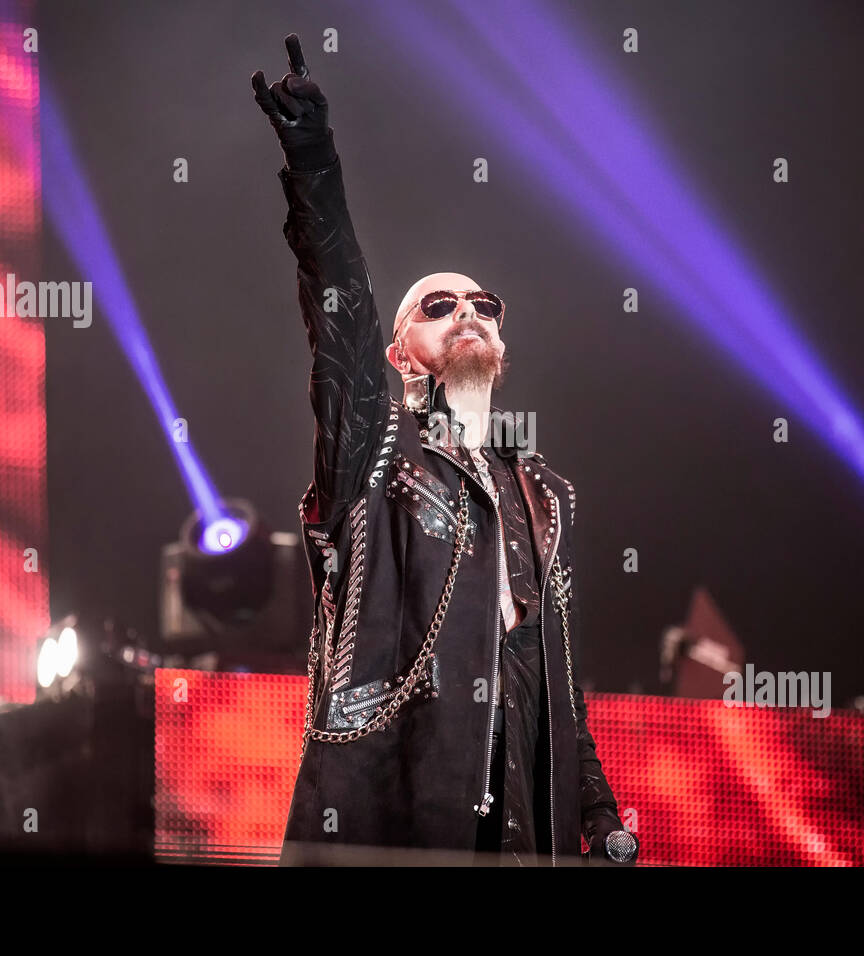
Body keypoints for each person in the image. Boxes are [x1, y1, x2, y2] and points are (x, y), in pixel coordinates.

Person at [252, 34, 638, 867]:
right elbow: (340, 310)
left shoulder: (545, 496)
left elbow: (554, 688)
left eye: (484, 303)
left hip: (521, 825)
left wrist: (598, 813)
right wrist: (313, 156)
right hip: (389, 811)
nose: (467, 310)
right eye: (437, 303)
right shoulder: (374, 447)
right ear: (399, 354)